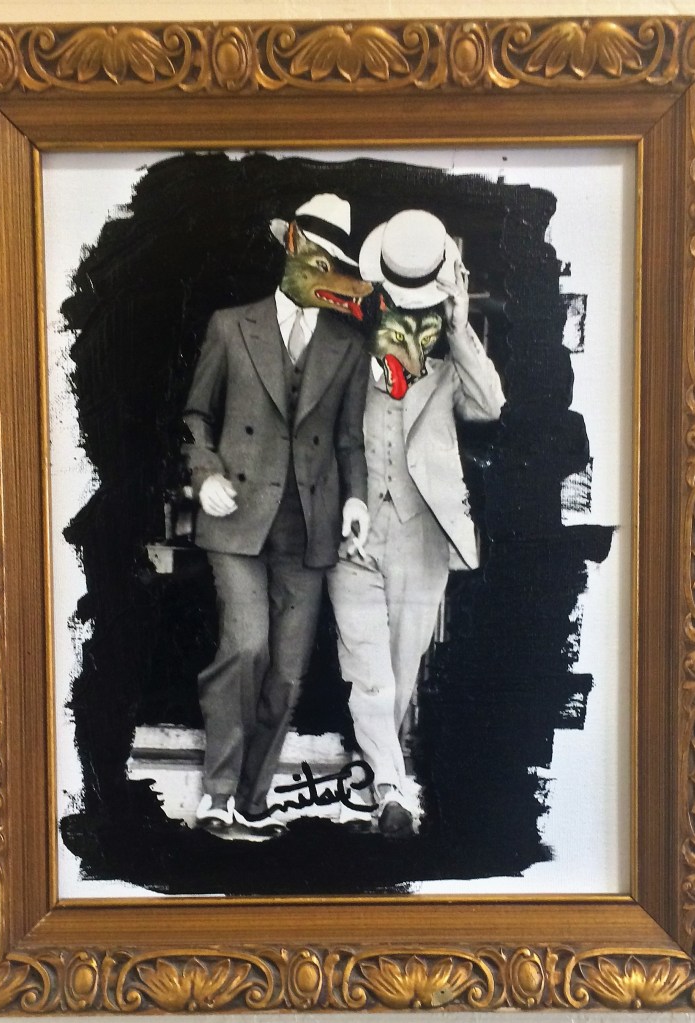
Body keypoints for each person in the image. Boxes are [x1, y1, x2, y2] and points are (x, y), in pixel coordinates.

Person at [183, 194, 371, 839]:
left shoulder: (348, 345)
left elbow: (349, 440)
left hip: (308, 527)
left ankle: (251, 799)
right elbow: (194, 417)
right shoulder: (231, 326)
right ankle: (217, 795)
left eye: (335, 264)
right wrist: (204, 474)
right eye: (315, 257)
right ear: (290, 247)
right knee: (246, 647)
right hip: (236, 518)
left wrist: (355, 498)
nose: (324, 272)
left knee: (287, 676)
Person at [327, 209, 505, 838]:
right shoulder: (345, 352)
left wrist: (459, 328)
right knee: (368, 669)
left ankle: (382, 778)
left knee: (402, 670)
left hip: (422, 536)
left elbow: (491, 405)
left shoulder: (451, 366)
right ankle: (389, 787)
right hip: (352, 536)